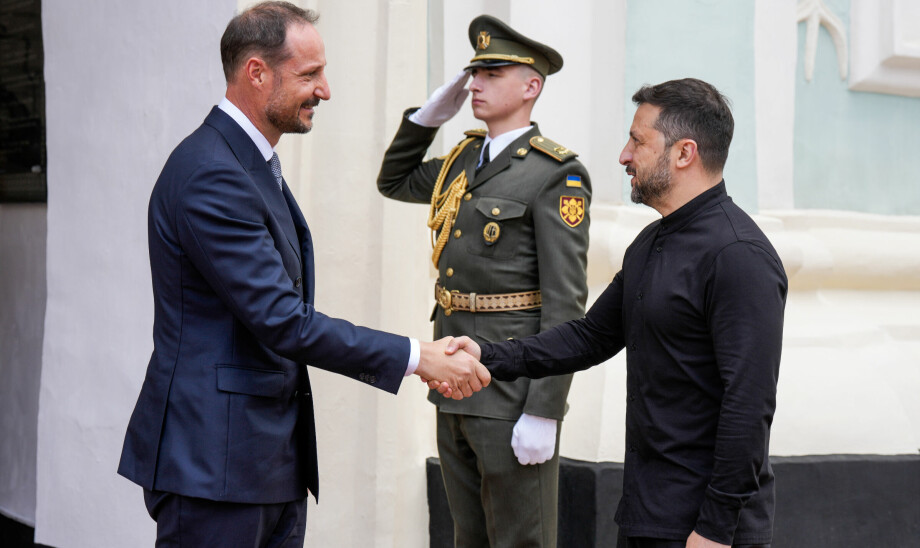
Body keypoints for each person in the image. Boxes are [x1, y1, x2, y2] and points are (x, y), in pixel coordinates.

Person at [117, 3, 488, 547]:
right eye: (309, 74)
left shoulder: (246, 162)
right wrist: (417, 357)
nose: (325, 90)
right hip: (215, 467)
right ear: (256, 73)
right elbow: (282, 320)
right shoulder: (211, 174)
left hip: (262, 463)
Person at [445, 78, 787, 548]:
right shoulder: (650, 242)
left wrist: (715, 528)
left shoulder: (739, 255)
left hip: (707, 528)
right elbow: (589, 337)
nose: (624, 155)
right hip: (647, 512)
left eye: (638, 141)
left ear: (684, 153)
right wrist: (485, 355)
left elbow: (749, 406)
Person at [376, 14, 591, 548]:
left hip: (511, 392)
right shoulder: (461, 160)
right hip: (452, 382)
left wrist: (544, 409)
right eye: (474, 73)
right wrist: (429, 116)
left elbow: (566, 303)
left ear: (531, 86)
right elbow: (393, 180)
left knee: (520, 539)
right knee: (466, 538)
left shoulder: (555, 174)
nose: (475, 84)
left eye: (493, 72)